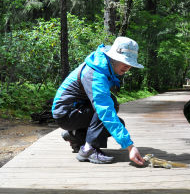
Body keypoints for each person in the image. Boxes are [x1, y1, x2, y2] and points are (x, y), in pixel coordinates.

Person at [52, 37, 145, 166]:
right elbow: (105, 111)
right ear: (113, 57)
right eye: (125, 61)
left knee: (117, 118)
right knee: (107, 109)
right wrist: (130, 146)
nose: (128, 66)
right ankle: (88, 150)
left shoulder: (102, 66)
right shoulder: (96, 74)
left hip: (74, 111)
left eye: (130, 64)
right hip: (66, 114)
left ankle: (75, 136)